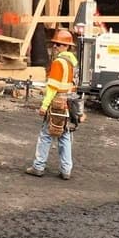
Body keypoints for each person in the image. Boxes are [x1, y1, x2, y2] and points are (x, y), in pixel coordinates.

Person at [26, 29, 79, 181]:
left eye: (58, 44)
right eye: (55, 44)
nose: (55, 47)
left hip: (57, 103)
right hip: (69, 103)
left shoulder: (58, 63)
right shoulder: (72, 63)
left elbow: (52, 87)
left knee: (46, 135)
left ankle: (38, 166)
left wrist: (44, 105)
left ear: (65, 46)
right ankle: (66, 170)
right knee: (64, 136)